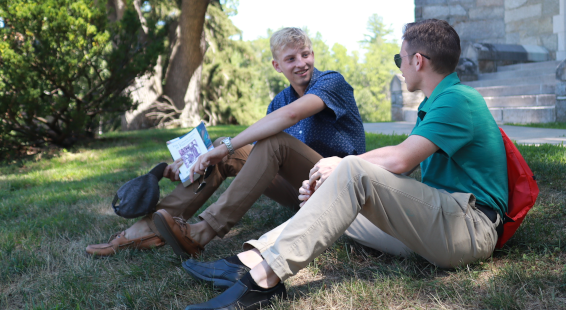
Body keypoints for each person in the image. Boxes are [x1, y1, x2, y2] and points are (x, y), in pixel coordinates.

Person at [181, 19, 509, 310]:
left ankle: (264, 281)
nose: (401, 67)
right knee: (337, 202)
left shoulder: (459, 100)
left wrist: (340, 165)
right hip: (437, 227)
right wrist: (333, 182)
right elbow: (402, 168)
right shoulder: (436, 103)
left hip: (467, 228)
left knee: (349, 171)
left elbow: (400, 158)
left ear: (418, 60)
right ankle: (251, 260)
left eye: (401, 59)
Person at [85, 28, 366, 259]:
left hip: (339, 187)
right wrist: (201, 157)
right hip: (301, 192)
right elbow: (258, 154)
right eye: (291, 58)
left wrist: (226, 146)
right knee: (223, 149)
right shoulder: (279, 99)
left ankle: (200, 233)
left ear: (313, 55)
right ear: (277, 66)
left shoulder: (332, 82)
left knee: (258, 143)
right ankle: (147, 229)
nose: (301, 63)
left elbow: (289, 117)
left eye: (305, 54)